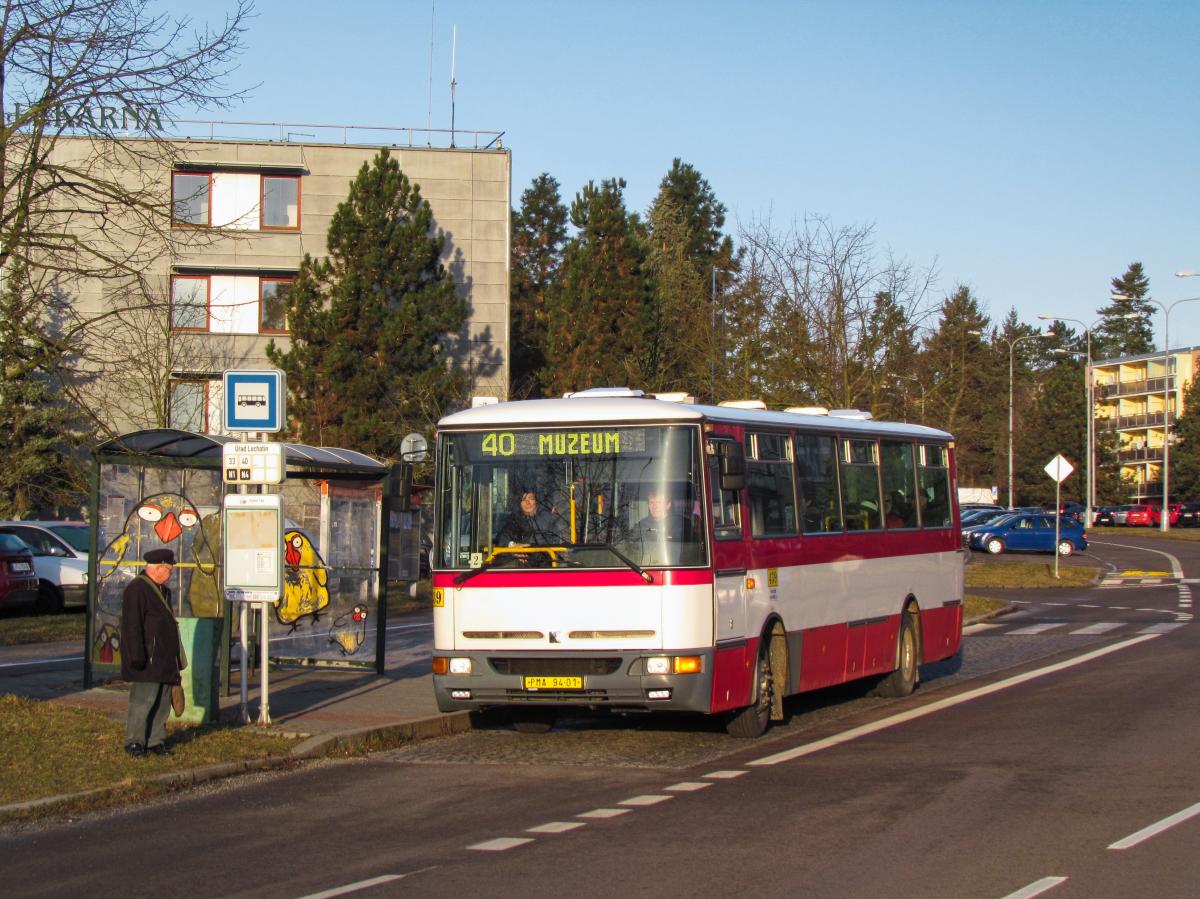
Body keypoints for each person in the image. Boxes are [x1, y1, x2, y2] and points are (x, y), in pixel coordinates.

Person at [120, 548, 186, 757]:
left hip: (165, 658)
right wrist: (137, 656)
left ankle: (156, 741)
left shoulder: (163, 590)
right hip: (147, 657)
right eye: (169, 570)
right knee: (143, 701)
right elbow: (132, 626)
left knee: (162, 701)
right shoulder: (137, 589)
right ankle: (135, 741)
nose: (171, 574)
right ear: (158, 569)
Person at [494, 490, 561, 553]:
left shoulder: (549, 519)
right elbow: (501, 537)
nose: (527, 502)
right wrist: (513, 546)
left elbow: (556, 543)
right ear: (519, 504)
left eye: (531, 499)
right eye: (523, 499)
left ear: (537, 501)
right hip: (521, 563)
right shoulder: (515, 521)